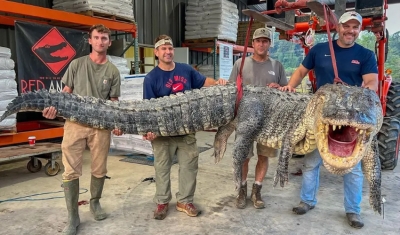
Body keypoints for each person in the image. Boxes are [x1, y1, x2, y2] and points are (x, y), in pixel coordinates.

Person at [279, 11, 378, 229]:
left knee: (352, 167)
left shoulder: (365, 55)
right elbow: (301, 71)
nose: (350, 31)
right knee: (311, 160)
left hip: (350, 117)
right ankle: (307, 201)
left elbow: (372, 82)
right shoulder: (320, 50)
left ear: (359, 30)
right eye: (346, 26)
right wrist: (290, 86)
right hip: (322, 116)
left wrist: (362, 94)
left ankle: (353, 210)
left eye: (355, 27)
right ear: (337, 28)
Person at [42, 24, 123, 235]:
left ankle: (95, 202)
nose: (100, 41)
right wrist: (53, 109)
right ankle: (73, 217)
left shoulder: (112, 71)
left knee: (99, 169)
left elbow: (113, 102)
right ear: (90, 40)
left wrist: (116, 123)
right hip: (75, 125)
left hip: (100, 127)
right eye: (96, 37)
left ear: (109, 42)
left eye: (104, 38)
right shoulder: (76, 65)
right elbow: (65, 94)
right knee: (70, 170)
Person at [142, 34, 227, 220]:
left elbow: (204, 82)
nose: (167, 51)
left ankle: (185, 200)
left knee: (189, 166)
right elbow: (147, 109)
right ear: (156, 52)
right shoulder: (151, 78)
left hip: (186, 130)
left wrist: (218, 82)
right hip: (162, 133)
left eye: (170, 48)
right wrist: (149, 131)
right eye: (163, 49)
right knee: (162, 168)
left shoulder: (186, 69)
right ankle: (162, 202)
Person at [229, 28, 287, 209]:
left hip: (269, 121)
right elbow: (231, 90)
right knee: (243, 156)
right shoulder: (240, 63)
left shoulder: (277, 66)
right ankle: (241, 189)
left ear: (269, 44)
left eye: (265, 41)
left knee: (264, 156)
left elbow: (286, 91)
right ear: (253, 43)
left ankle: (257, 191)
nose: (261, 44)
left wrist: (278, 87)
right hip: (245, 119)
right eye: (258, 41)